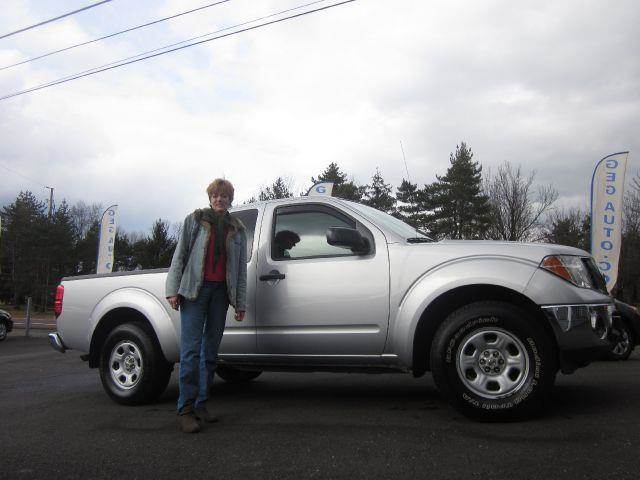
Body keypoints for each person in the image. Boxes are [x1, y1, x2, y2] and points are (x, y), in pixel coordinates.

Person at [165, 178, 247, 433]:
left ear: (230, 199)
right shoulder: (196, 220)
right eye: (215, 195)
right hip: (194, 291)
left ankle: (202, 403)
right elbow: (180, 254)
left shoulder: (238, 228)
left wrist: (240, 302)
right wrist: (173, 289)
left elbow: (240, 269)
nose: (219, 199)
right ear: (210, 197)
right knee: (190, 350)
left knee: (210, 352)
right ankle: (186, 409)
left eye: (224, 195)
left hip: (220, 293)